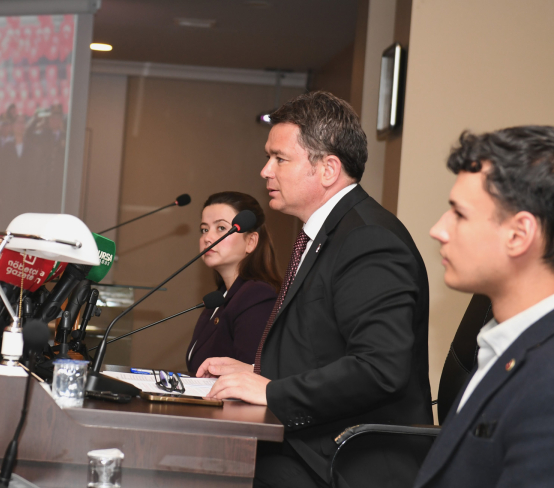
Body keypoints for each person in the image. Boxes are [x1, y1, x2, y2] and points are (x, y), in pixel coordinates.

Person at [197, 92, 432, 488]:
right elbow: (324, 348)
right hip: (316, 442)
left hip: (350, 460)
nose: (265, 171)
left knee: (208, 470)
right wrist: (257, 373)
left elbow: (379, 369)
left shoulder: (368, 239)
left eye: (279, 159)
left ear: (328, 169)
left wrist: (273, 391)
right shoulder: (329, 232)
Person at [414, 126, 554, 488]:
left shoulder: (547, 382)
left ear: (518, 235)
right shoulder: (505, 342)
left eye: (459, 214)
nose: (438, 229)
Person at [186, 192, 281, 376]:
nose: (208, 238)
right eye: (204, 229)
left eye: (221, 228)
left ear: (251, 242)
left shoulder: (257, 296)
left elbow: (253, 377)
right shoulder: (220, 298)